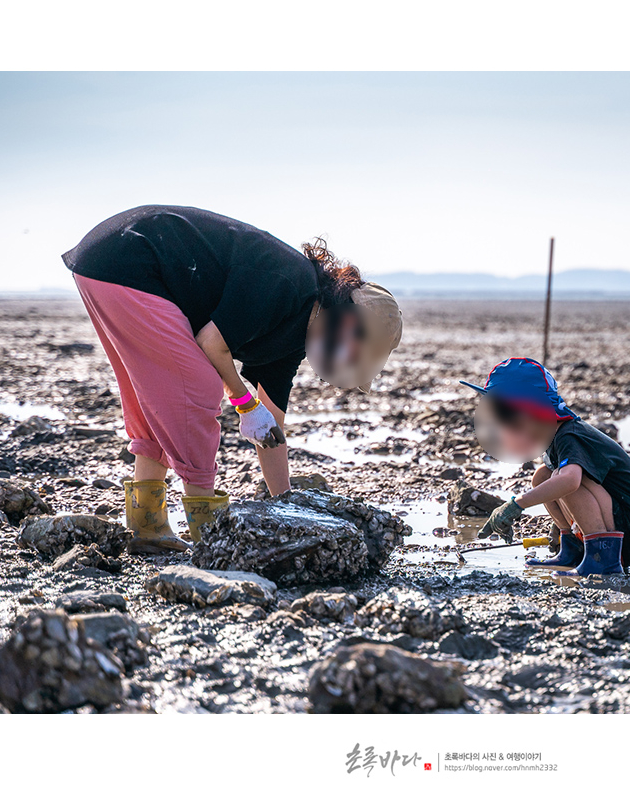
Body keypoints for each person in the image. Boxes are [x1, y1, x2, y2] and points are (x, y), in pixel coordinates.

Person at [63, 205, 402, 554]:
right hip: (130, 259)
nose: (344, 371)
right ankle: (208, 536)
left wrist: (284, 505)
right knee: (196, 388)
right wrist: (244, 403)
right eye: (357, 358)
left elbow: (271, 432)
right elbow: (212, 344)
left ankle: (147, 527)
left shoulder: (295, 337)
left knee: (158, 401)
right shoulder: (289, 284)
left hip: (105, 263)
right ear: (349, 325)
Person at [461, 358, 630, 576]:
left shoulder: (570, 435)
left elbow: (570, 481)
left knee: (565, 478)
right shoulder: (554, 435)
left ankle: (603, 560)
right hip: (616, 520)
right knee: (543, 476)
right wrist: (561, 528)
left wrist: (516, 505)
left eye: (506, 414)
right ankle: (572, 549)